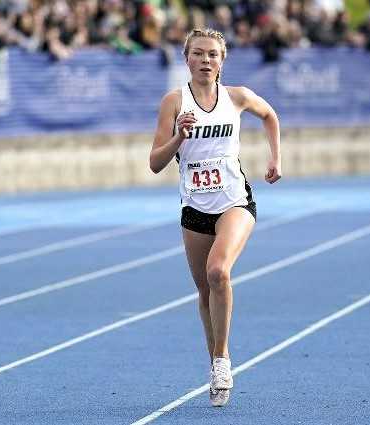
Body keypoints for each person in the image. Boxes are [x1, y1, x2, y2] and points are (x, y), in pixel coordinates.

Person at [149, 28, 281, 407]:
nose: (206, 61)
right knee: (205, 292)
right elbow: (155, 162)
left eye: (213, 55)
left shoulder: (236, 97)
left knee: (218, 272)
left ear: (222, 61)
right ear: (186, 59)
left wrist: (275, 158)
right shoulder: (174, 103)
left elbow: (269, 115)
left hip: (234, 201)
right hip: (194, 208)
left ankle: (222, 360)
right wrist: (179, 137)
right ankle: (214, 360)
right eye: (198, 54)